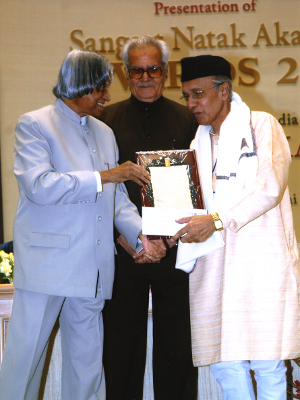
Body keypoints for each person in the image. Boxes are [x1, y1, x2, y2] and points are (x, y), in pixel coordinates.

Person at [0, 49, 166, 400]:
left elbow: (117, 200)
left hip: (93, 269)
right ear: (77, 86)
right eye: (99, 88)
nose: (107, 95)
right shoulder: (35, 124)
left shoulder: (104, 131)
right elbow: (39, 186)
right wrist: (104, 176)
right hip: (48, 266)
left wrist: (143, 238)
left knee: (87, 368)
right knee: (24, 363)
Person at [171, 54, 300, 400]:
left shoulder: (261, 126)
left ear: (224, 90)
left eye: (198, 93)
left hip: (261, 262)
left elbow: (270, 187)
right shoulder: (195, 145)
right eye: (187, 96)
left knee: (268, 364)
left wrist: (215, 220)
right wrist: (164, 232)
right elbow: (185, 206)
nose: (191, 104)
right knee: (226, 366)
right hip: (213, 263)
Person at [99, 36, 198, 400]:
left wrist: (168, 240)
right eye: (136, 70)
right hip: (123, 252)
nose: (145, 77)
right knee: (120, 350)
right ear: (125, 74)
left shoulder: (189, 120)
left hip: (175, 251)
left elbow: (200, 188)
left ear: (165, 72)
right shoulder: (103, 122)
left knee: (177, 349)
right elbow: (100, 188)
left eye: (152, 69)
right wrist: (124, 238)